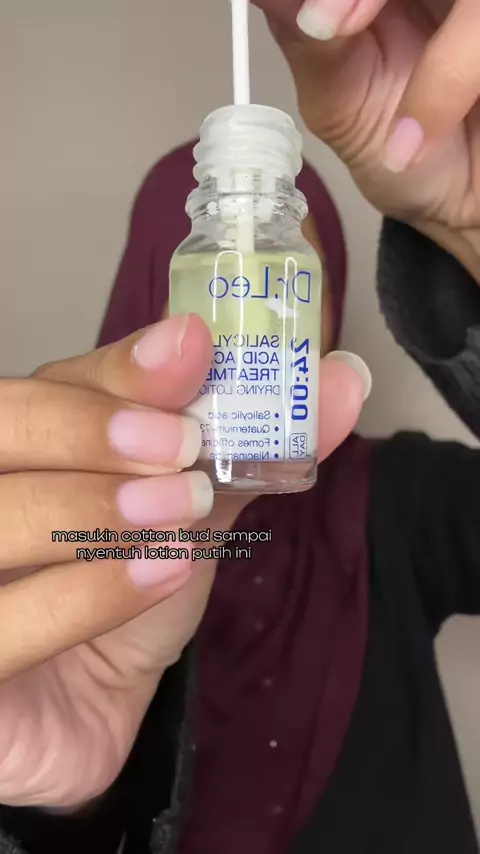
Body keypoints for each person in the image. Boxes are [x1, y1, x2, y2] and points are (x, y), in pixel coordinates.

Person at [1, 0, 480, 852]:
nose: (252, 324)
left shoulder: (401, 505)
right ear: (151, 303)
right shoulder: (89, 553)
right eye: (227, 292)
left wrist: (468, 229)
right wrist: (54, 800)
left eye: (285, 284)